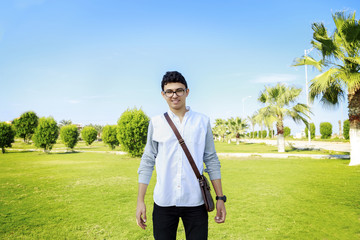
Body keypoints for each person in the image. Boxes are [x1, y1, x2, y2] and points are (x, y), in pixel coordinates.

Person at [136, 71, 226, 240]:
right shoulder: (156, 123)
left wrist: (220, 197)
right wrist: (140, 200)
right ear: (163, 94)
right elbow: (148, 161)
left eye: (179, 90)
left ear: (187, 92)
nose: (174, 95)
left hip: (196, 202)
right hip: (164, 201)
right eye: (169, 91)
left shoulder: (202, 121)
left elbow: (211, 159)